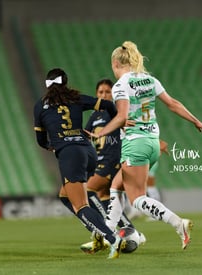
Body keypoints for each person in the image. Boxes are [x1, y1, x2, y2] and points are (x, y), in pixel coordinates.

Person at [86, 41, 202, 250]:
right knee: (116, 187)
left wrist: (103, 132)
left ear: (115, 63)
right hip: (152, 142)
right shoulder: (150, 80)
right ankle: (108, 237)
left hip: (135, 144)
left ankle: (179, 223)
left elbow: (122, 116)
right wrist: (196, 120)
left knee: (137, 199)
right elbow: (172, 104)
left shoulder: (121, 85)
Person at [33, 68, 126, 259]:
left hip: (70, 155)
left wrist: (52, 145)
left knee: (81, 206)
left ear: (47, 85)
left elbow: (41, 140)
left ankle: (112, 238)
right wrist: (118, 124)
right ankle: (99, 232)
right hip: (89, 152)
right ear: (65, 83)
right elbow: (108, 105)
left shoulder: (40, 105)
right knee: (65, 196)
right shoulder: (76, 98)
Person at [80, 79, 145, 253]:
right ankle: (134, 233)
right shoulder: (94, 116)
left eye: (107, 92)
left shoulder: (116, 112)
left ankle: (103, 233)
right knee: (104, 199)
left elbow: (129, 127)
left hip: (111, 161)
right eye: (100, 92)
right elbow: (88, 137)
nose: (104, 95)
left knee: (87, 191)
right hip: (99, 161)